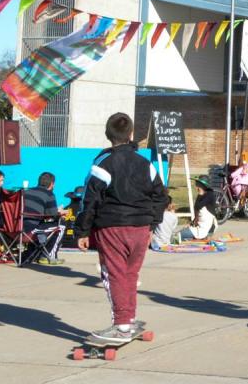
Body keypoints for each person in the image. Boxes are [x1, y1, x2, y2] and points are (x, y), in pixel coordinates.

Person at [74, 113, 170, 344]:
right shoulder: (146, 164)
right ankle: (129, 318)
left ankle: (122, 325)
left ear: (108, 135)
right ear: (131, 135)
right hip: (140, 228)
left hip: (112, 227)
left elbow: (90, 200)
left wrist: (82, 231)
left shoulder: (102, 163)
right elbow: (161, 196)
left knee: (115, 274)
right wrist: (152, 224)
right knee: (130, 274)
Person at [23, 171, 66, 265]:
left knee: (43, 226)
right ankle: (49, 257)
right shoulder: (49, 194)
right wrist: (60, 212)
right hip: (31, 230)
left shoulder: (25, 192)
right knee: (61, 225)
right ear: (52, 184)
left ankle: (35, 254)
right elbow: (52, 215)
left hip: (16, 230)